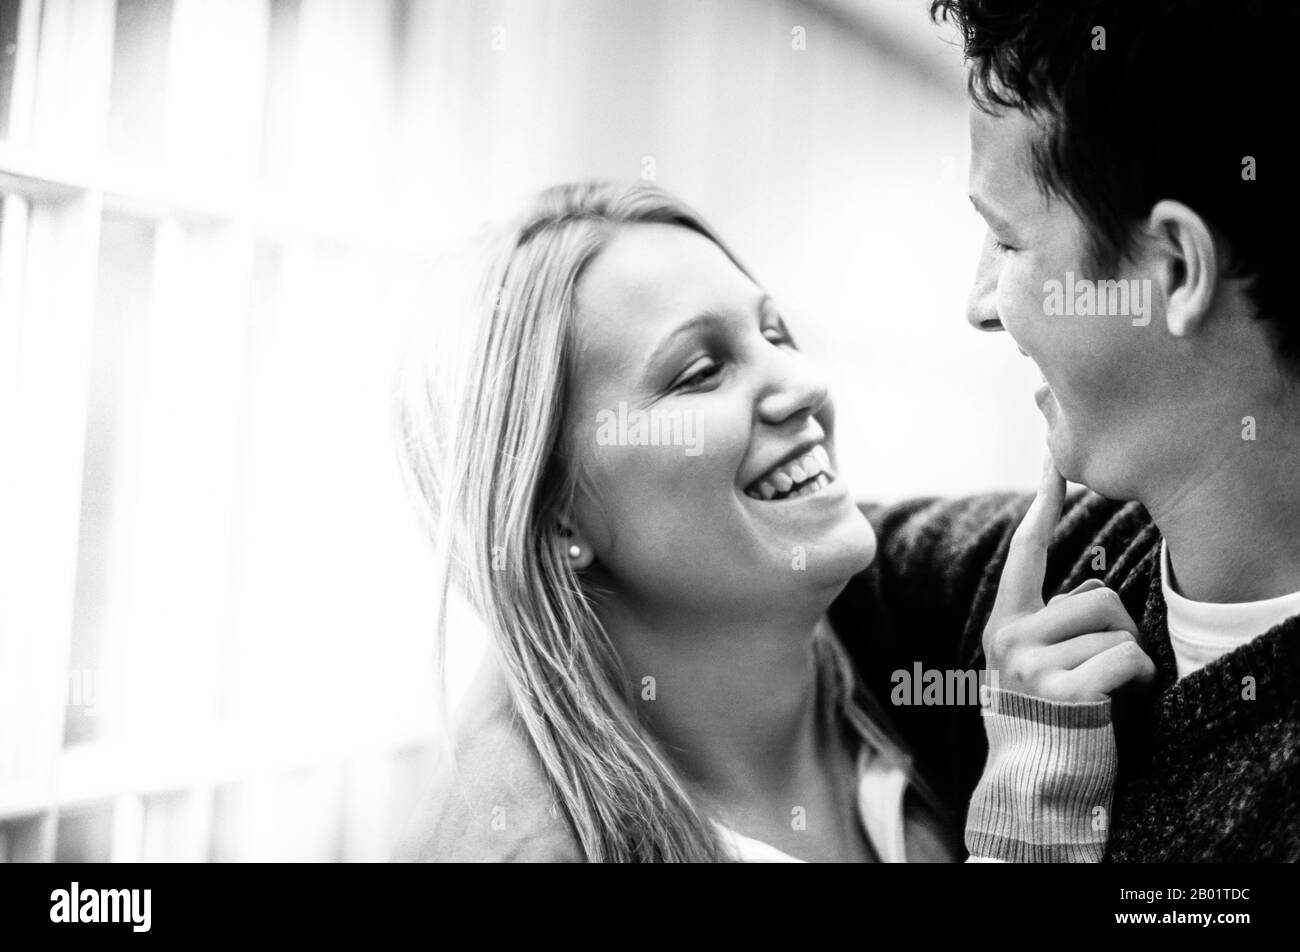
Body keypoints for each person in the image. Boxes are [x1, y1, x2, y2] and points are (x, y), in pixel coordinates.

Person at [390, 180, 1131, 862]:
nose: (806, 384)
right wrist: (1032, 821)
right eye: (699, 372)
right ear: (552, 519)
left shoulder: (892, 630)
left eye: (774, 335)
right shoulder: (529, 843)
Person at [829, 0, 1300, 861]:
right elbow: (759, 563)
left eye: (1006, 244)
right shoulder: (1062, 563)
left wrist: (1032, 816)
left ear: (1175, 267)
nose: (977, 307)